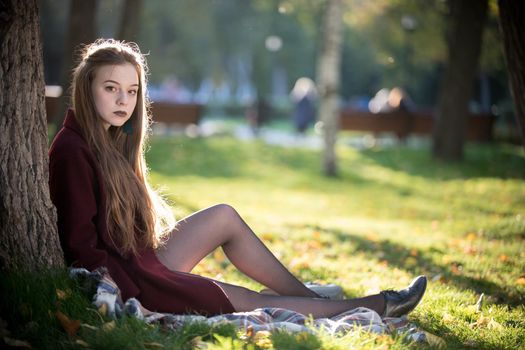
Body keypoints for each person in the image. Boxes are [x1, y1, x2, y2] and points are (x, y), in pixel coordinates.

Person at [48, 39, 427, 318]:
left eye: (131, 91)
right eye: (110, 89)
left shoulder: (111, 138)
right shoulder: (73, 149)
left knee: (223, 216)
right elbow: (81, 244)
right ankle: (380, 304)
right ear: (87, 89)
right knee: (253, 302)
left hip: (140, 260)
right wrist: (125, 296)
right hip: (131, 280)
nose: (123, 101)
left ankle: (311, 298)